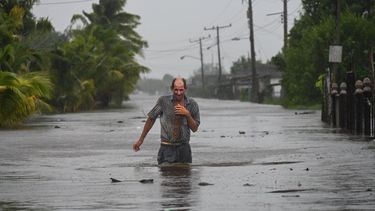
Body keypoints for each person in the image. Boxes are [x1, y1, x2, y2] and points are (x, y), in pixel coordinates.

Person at [133, 78, 200, 165]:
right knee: (166, 176)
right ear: (172, 89)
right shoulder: (163, 101)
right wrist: (141, 140)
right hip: (166, 148)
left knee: (185, 177)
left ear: (185, 89)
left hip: (184, 149)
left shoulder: (192, 104)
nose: (178, 93)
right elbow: (151, 119)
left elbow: (194, 128)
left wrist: (187, 114)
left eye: (181, 90)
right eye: (176, 90)